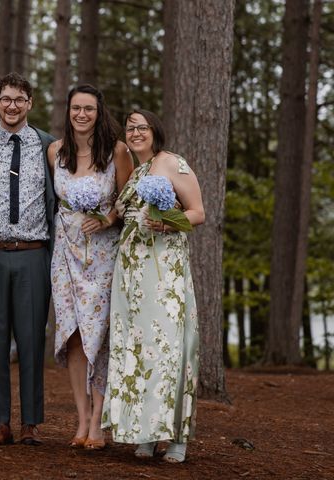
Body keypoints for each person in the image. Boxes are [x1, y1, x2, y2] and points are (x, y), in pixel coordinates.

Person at [102, 109, 205, 463]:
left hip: (164, 271)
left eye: (141, 127)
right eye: (130, 128)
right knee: (139, 348)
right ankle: (145, 431)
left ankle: (176, 437)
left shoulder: (171, 163)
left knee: (170, 349)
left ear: (155, 131)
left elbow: (198, 212)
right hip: (131, 271)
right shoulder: (135, 172)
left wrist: (169, 223)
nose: (135, 133)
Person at [48, 85, 133, 450]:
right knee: (74, 335)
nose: (82, 114)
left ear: (100, 113)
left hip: (101, 255)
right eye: (76, 108)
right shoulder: (56, 151)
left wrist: (108, 218)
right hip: (65, 252)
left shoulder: (116, 151)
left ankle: (98, 421)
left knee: (98, 335)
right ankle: (81, 419)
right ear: (68, 111)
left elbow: (129, 200)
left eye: (89, 109)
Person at [0, 72, 55, 446]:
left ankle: (31, 423)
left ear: (30, 104)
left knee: (32, 338)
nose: (12, 106)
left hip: (34, 254)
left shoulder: (49, 146)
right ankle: (0, 420)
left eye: (19, 99)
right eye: (5, 99)